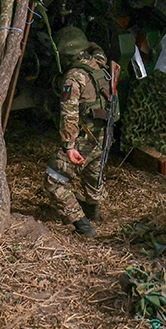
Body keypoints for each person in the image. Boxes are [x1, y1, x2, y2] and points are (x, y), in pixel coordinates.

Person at [45, 25, 113, 237]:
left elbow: (69, 115)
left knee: (54, 180)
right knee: (93, 174)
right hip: (103, 136)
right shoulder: (99, 63)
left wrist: (69, 146)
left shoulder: (73, 78)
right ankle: (93, 211)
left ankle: (82, 224)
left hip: (84, 139)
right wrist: (91, 44)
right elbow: (99, 50)